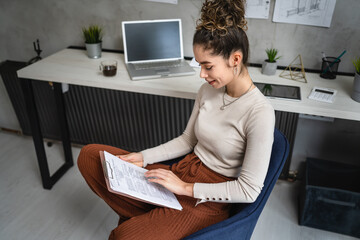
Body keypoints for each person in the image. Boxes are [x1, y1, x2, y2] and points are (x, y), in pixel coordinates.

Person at [77, 0, 275, 239]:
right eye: (199, 65)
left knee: (122, 236)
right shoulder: (208, 90)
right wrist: (143, 157)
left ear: (235, 59)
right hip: (181, 171)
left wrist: (184, 189)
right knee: (90, 157)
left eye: (208, 66)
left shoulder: (259, 112)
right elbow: (187, 140)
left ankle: (150, 220)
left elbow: (249, 190)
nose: (202, 74)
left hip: (206, 199)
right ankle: (152, 217)